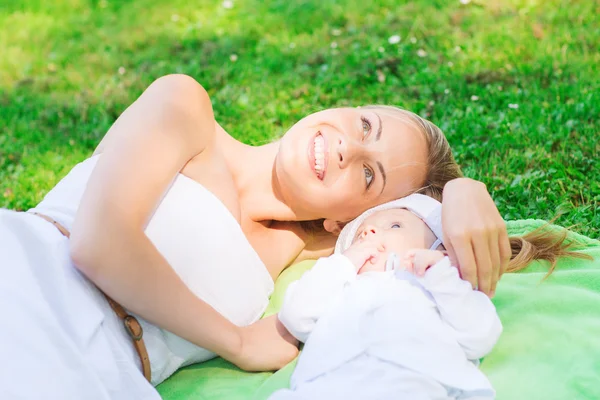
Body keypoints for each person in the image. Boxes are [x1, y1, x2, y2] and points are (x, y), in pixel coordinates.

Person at [0, 74, 508, 399]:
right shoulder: (186, 109)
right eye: (365, 125)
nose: (344, 148)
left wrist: (463, 191)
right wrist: (239, 343)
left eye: (369, 174)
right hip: (26, 288)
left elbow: (437, 256)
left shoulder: (321, 250)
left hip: (108, 375)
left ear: (351, 221)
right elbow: (98, 244)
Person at [272, 194, 583, 400]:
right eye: (362, 233)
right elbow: (297, 315)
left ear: (440, 247)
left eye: (393, 225)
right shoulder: (339, 285)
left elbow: (480, 335)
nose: (370, 235)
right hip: (327, 387)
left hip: (416, 382)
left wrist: (442, 276)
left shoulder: (437, 287)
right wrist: (342, 263)